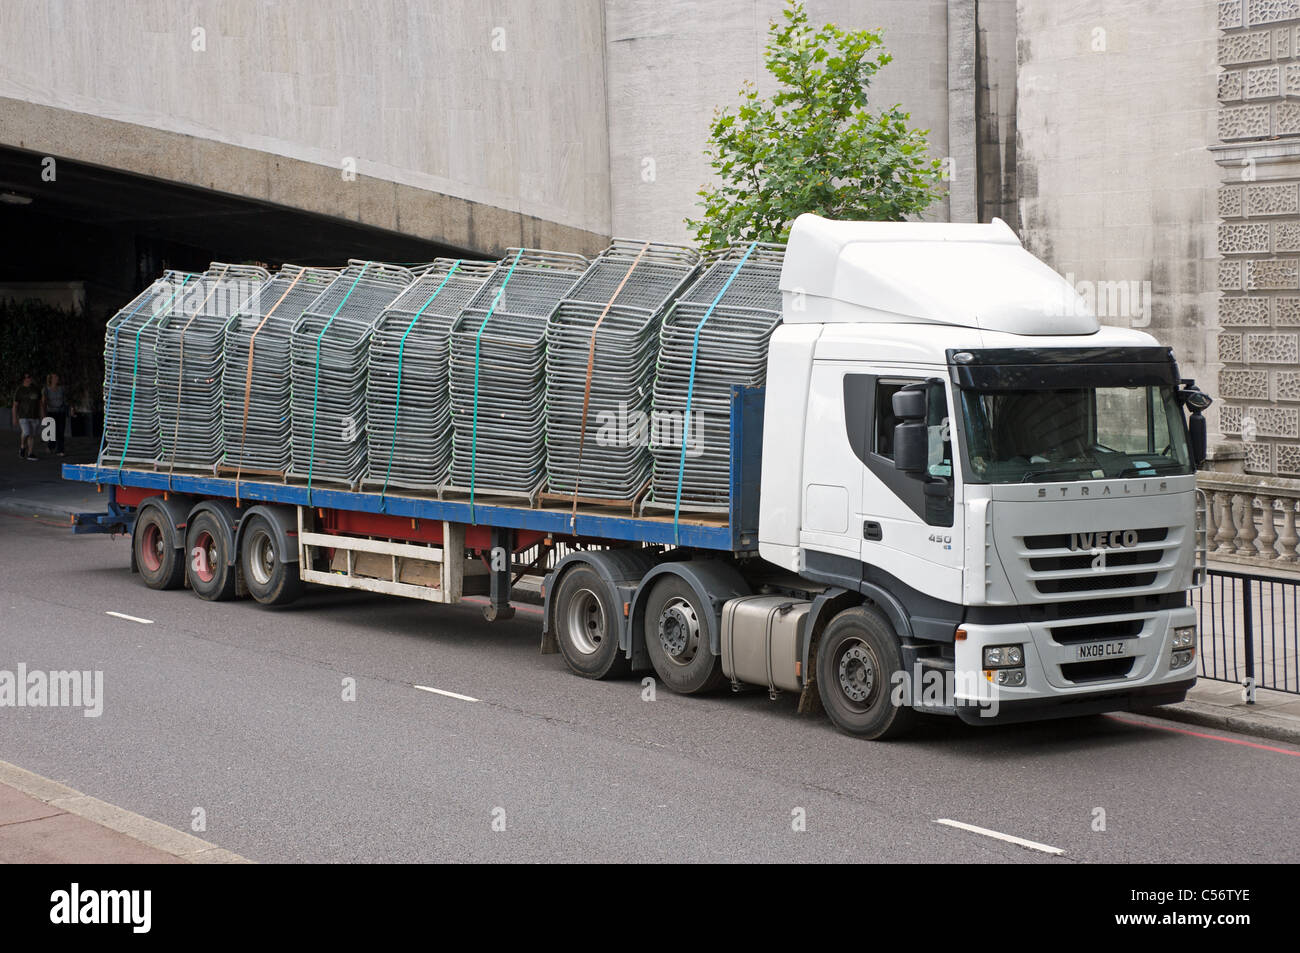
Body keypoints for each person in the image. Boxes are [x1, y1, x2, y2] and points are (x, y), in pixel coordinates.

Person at [11, 372, 41, 460]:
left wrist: (43, 415)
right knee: (27, 432)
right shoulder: (19, 390)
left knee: (31, 435)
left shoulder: (36, 389)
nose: (28, 379)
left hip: (34, 415)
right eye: (26, 377)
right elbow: (15, 405)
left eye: (30, 377)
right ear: (23, 379)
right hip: (23, 416)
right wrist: (14, 418)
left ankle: (30, 453)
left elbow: (40, 403)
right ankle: (22, 446)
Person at [42, 372, 68, 456]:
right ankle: (51, 446)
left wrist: (69, 409)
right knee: (52, 431)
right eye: (55, 377)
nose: (57, 379)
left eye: (57, 377)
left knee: (61, 430)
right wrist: (43, 413)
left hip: (61, 411)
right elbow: (44, 402)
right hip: (51, 412)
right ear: (51, 379)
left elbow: (65, 400)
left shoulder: (61, 389)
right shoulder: (46, 389)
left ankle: (60, 450)